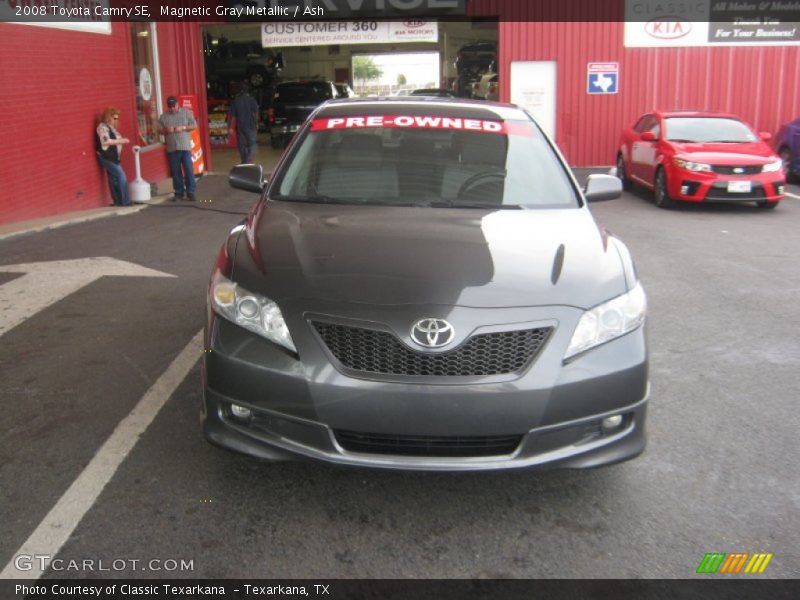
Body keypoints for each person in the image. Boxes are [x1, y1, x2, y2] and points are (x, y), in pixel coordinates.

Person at [158, 96, 197, 201]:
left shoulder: (186, 112)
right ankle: (179, 193)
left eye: (173, 106)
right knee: (175, 172)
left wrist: (183, 127)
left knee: (188, 169)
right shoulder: (163, 117)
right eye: (170, 107)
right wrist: (166, 130)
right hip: (172, 147)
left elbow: (194, 125)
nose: (172, 109)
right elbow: (159, 130)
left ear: (177, 104)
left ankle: (191, 191)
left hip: (184, 146)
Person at [96, 107, 131, 206]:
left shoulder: (112, 129)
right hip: (107, 157)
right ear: (108, 117)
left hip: (114, 157)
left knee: (113, 178)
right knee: (121, 175)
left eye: (117, 118)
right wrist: (121, 141)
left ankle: (117, 201)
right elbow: (105, 141)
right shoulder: (102, 127)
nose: (116, 120)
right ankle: (125, 201)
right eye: (114, 118)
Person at [229, 82, 259, 163]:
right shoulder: (252, 100)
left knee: (242, 145)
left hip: (240, 126)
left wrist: (231, 128)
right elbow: (255, 113)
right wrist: (256, 124)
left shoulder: (236, 101)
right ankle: (249, 159)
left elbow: (233, 116)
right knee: (252, 143)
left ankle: (244, 161)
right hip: (250, 125)